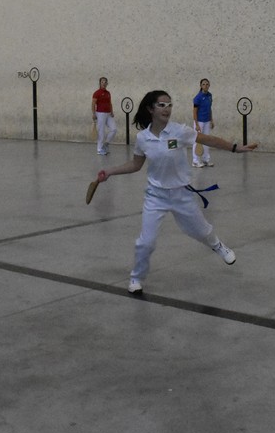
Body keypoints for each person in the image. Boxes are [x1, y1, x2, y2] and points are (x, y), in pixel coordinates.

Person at [94, 90, 258, 294]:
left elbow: (209, 140)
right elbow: (136, 165)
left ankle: (218, 246)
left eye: (169, 104)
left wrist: (235, 148)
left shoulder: (180, 131)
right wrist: (109, 171)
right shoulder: (143, 138)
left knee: (201, 231)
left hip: (182, 194)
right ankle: (136, 278)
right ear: (150, 109)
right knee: (146, 242)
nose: (167, 109)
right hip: (155, 197)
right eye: (161, 105)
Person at [91, 76, 117, 155]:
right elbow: (93, 104)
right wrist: (93, 114)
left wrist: (112, 112)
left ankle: (106, 144)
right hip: (100, 113)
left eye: (105, 82)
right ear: (100, 83)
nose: (104, 83)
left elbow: (110, 103)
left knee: (114, 129)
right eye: (102, 82)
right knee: (101, 132)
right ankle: (99, 149)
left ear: (107, 83)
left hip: (108, 113)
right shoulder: (97, 93)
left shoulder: (108, 93)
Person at [192, 78, 214, 168]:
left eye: (207, 84)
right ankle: (195, 161)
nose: (205, 86)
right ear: (201, 86)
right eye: (204, 84)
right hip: (199, 122)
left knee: (207, 141)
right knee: (197, 141)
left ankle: (205, 160)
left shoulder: (210, 96)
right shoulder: (198, 98)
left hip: (207, 121)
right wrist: (196, 124)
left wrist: (211, 120)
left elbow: (209, 109)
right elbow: (194, 111)